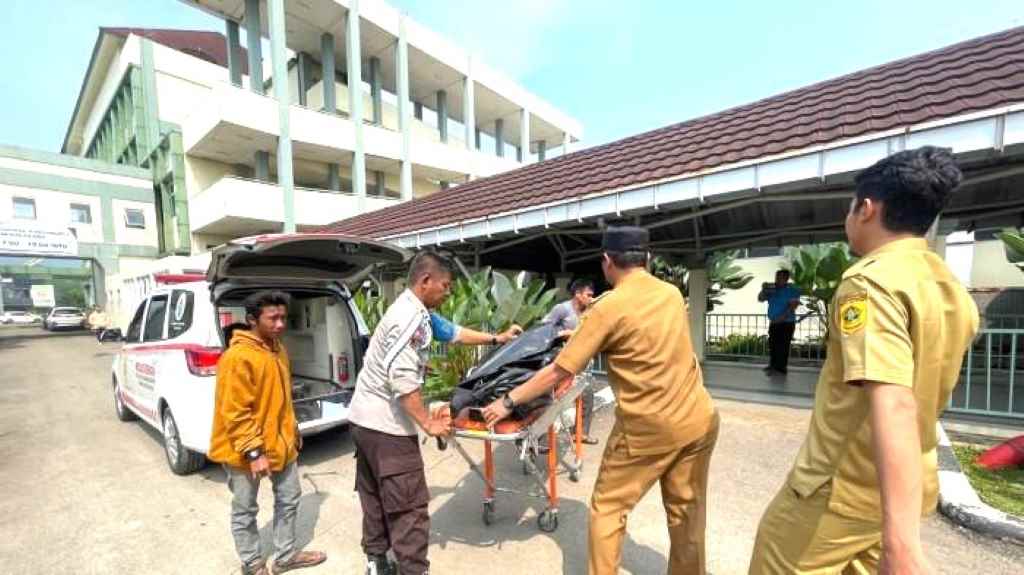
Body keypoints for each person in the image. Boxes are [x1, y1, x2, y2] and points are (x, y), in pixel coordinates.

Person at [748, 146, 979, 574]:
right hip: (906, 489)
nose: (848, 219)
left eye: (850, 209)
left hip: (838, 492)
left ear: (867, 209)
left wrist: (902, 546)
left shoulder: (869, 283)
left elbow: (893, 401)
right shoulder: (949, 286)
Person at [483, 227, 719, 575]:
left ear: (607, 261)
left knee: (608, 509)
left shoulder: (607, 307)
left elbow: (559, 371)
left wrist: (507, 400)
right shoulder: (670, 293)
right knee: (687, 512)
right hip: (699, 418)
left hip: (648, 427)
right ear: (647, 259)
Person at [349, 252, 521, 575]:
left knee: (374, 495)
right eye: (445, 286)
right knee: (409, 507)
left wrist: (497, 338)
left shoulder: (417, 311)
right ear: (425, 281)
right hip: (387, 428)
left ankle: (376, 562)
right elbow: (400, 378)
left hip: (362, 420)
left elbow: (454, 332)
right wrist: (428, 422)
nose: (448, 292)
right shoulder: (410, 319)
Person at [208, 291, 326, 575]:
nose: (280, 324)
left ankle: (285, 556)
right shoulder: (238, 357)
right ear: (251, 320)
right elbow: (235, 412)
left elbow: (281, 400)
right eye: (272, 318)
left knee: (289, 499)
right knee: (245, 509)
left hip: (281, 443)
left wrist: (292, 429)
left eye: (283, 317)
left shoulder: (278, 349)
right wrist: (254, 451)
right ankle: (252, 563)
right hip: (244, 450)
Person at [543, 278, 599, 445]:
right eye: (588, 295)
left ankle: (581, 433)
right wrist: (564, 333)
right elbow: (544, 329)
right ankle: (543, 439)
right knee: (550, 399)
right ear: (577, 294)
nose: (591, 298)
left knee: (587, 394)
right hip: (560, 362)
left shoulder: (588, 311)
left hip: (580, 363)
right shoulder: (562, 309)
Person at [757, 270, 800, 375]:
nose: (777, 279)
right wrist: (764, 290)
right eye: (776, 277)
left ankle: (781, 369)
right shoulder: (772, 289)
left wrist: (781, 318)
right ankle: (772, 366)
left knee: (783, 346)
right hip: (774, 323)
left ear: (786, 278)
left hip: (786, 323)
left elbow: (793, 306)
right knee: (773, 345)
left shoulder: (792, 289)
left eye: (780, 277)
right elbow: (760, 299)